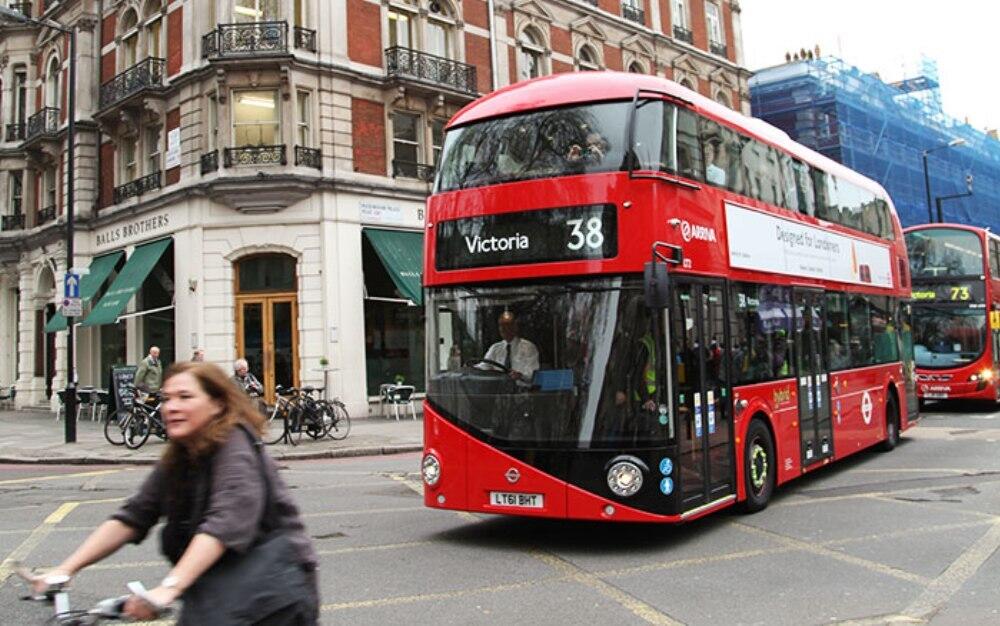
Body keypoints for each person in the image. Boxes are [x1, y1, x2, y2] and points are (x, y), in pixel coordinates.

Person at [28, 362, 319, 624]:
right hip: (220, 592)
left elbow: (225, 522)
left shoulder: (235, 445)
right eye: (167, 399)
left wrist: (169, 589)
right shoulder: (182, 453)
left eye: (185, 397)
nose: (171, 407)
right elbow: (134, 515)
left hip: (273, 597)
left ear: (217, 404)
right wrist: (65, 569)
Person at [481, 311, 539, 382]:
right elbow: (484, 366)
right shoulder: (495, 348)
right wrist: (469, 368)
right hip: (498, 390)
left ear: (515, 327)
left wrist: (520, 375)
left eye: (507, 325)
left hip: (522, 390)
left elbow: (533, 374)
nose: (503, 328)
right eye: (501, 325)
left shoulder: (528, 347)